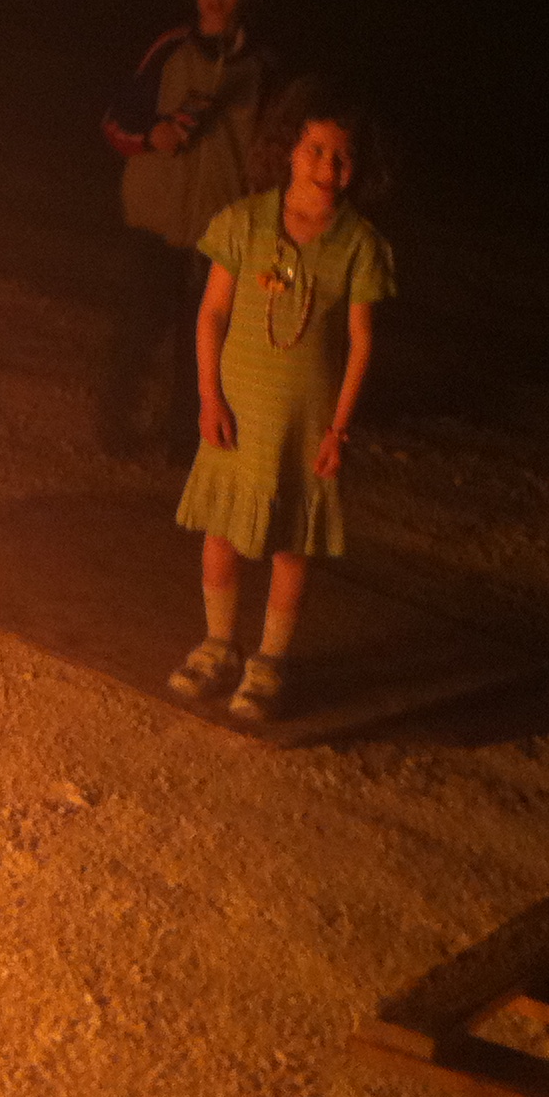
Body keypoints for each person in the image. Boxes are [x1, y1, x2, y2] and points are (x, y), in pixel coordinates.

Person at [166, 79, 394, 721]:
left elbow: (361, 342)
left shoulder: (360, 245)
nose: (328, 166)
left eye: (343, 156)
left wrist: (338, 429)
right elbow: (212, 314)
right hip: (237, 411)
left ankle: (269, 661)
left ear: (358, 167)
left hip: (306, 421)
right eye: (315, 149)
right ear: (288, 148)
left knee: (292, 541)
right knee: (220, 531)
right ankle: (218, 645)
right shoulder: (243, 223)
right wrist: (208, 397)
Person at [98, 0, 280, 450]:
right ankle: (115, 427)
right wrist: (149, 136)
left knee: (202, 340)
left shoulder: (263, 68)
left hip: (218, 232)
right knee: (137, 328)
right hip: (154, 220)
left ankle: (186, 438)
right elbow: (115, 121)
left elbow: (272, 155)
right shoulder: (169, 49)